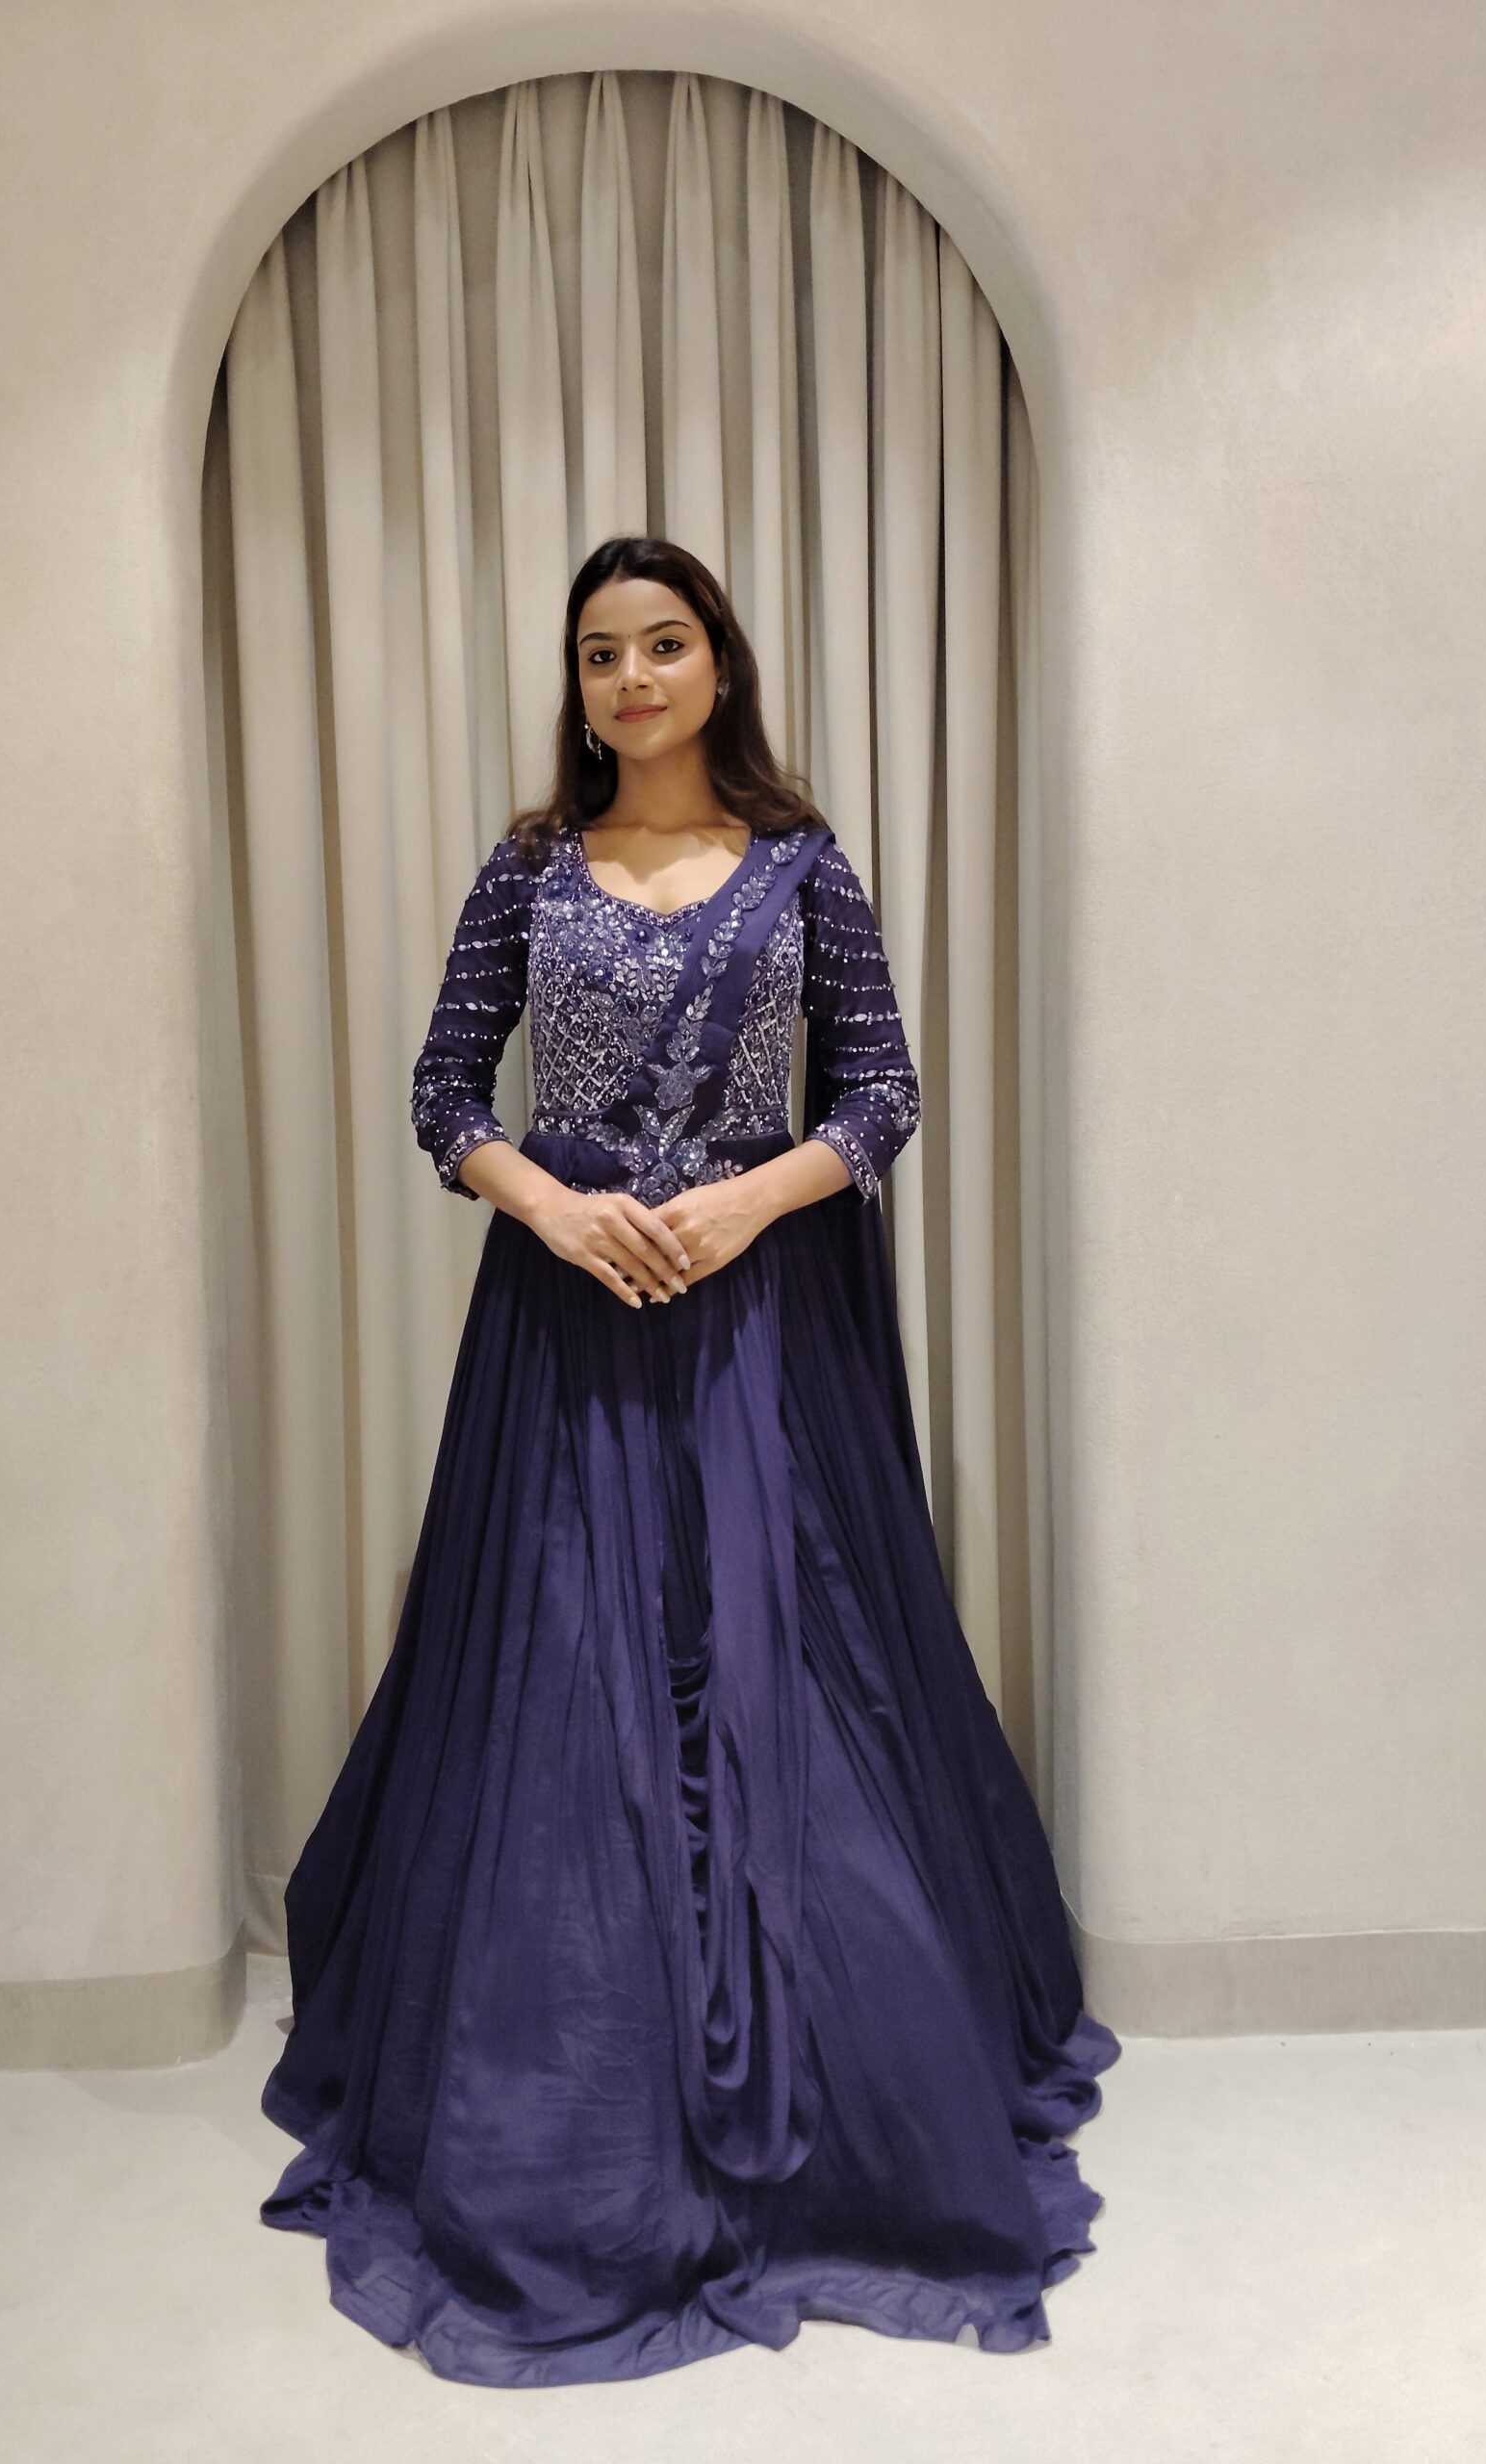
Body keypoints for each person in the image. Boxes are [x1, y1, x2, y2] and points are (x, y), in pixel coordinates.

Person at [258, 533, 1120, 2387]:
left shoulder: (805, 867)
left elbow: (881, 1095)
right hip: (566, 1334)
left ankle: (844, 2107)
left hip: (758, 1336)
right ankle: (566, 2103)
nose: (632, 678)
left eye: (662, 644)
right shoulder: (529, 869)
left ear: (717, 663)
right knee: (565, 1675)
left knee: (782, 1672)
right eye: (600, 654)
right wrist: (552, 1210)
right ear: (577, 689)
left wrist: (744, 1204)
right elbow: (443, 1092)